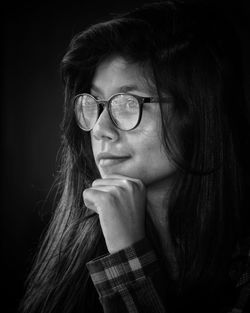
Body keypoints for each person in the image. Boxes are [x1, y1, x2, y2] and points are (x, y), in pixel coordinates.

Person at [20, 1, 250, 312]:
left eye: (128, 103)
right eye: (96, 104)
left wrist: (128, 256)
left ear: (194, 113)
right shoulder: (73, 254)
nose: (100, 129)